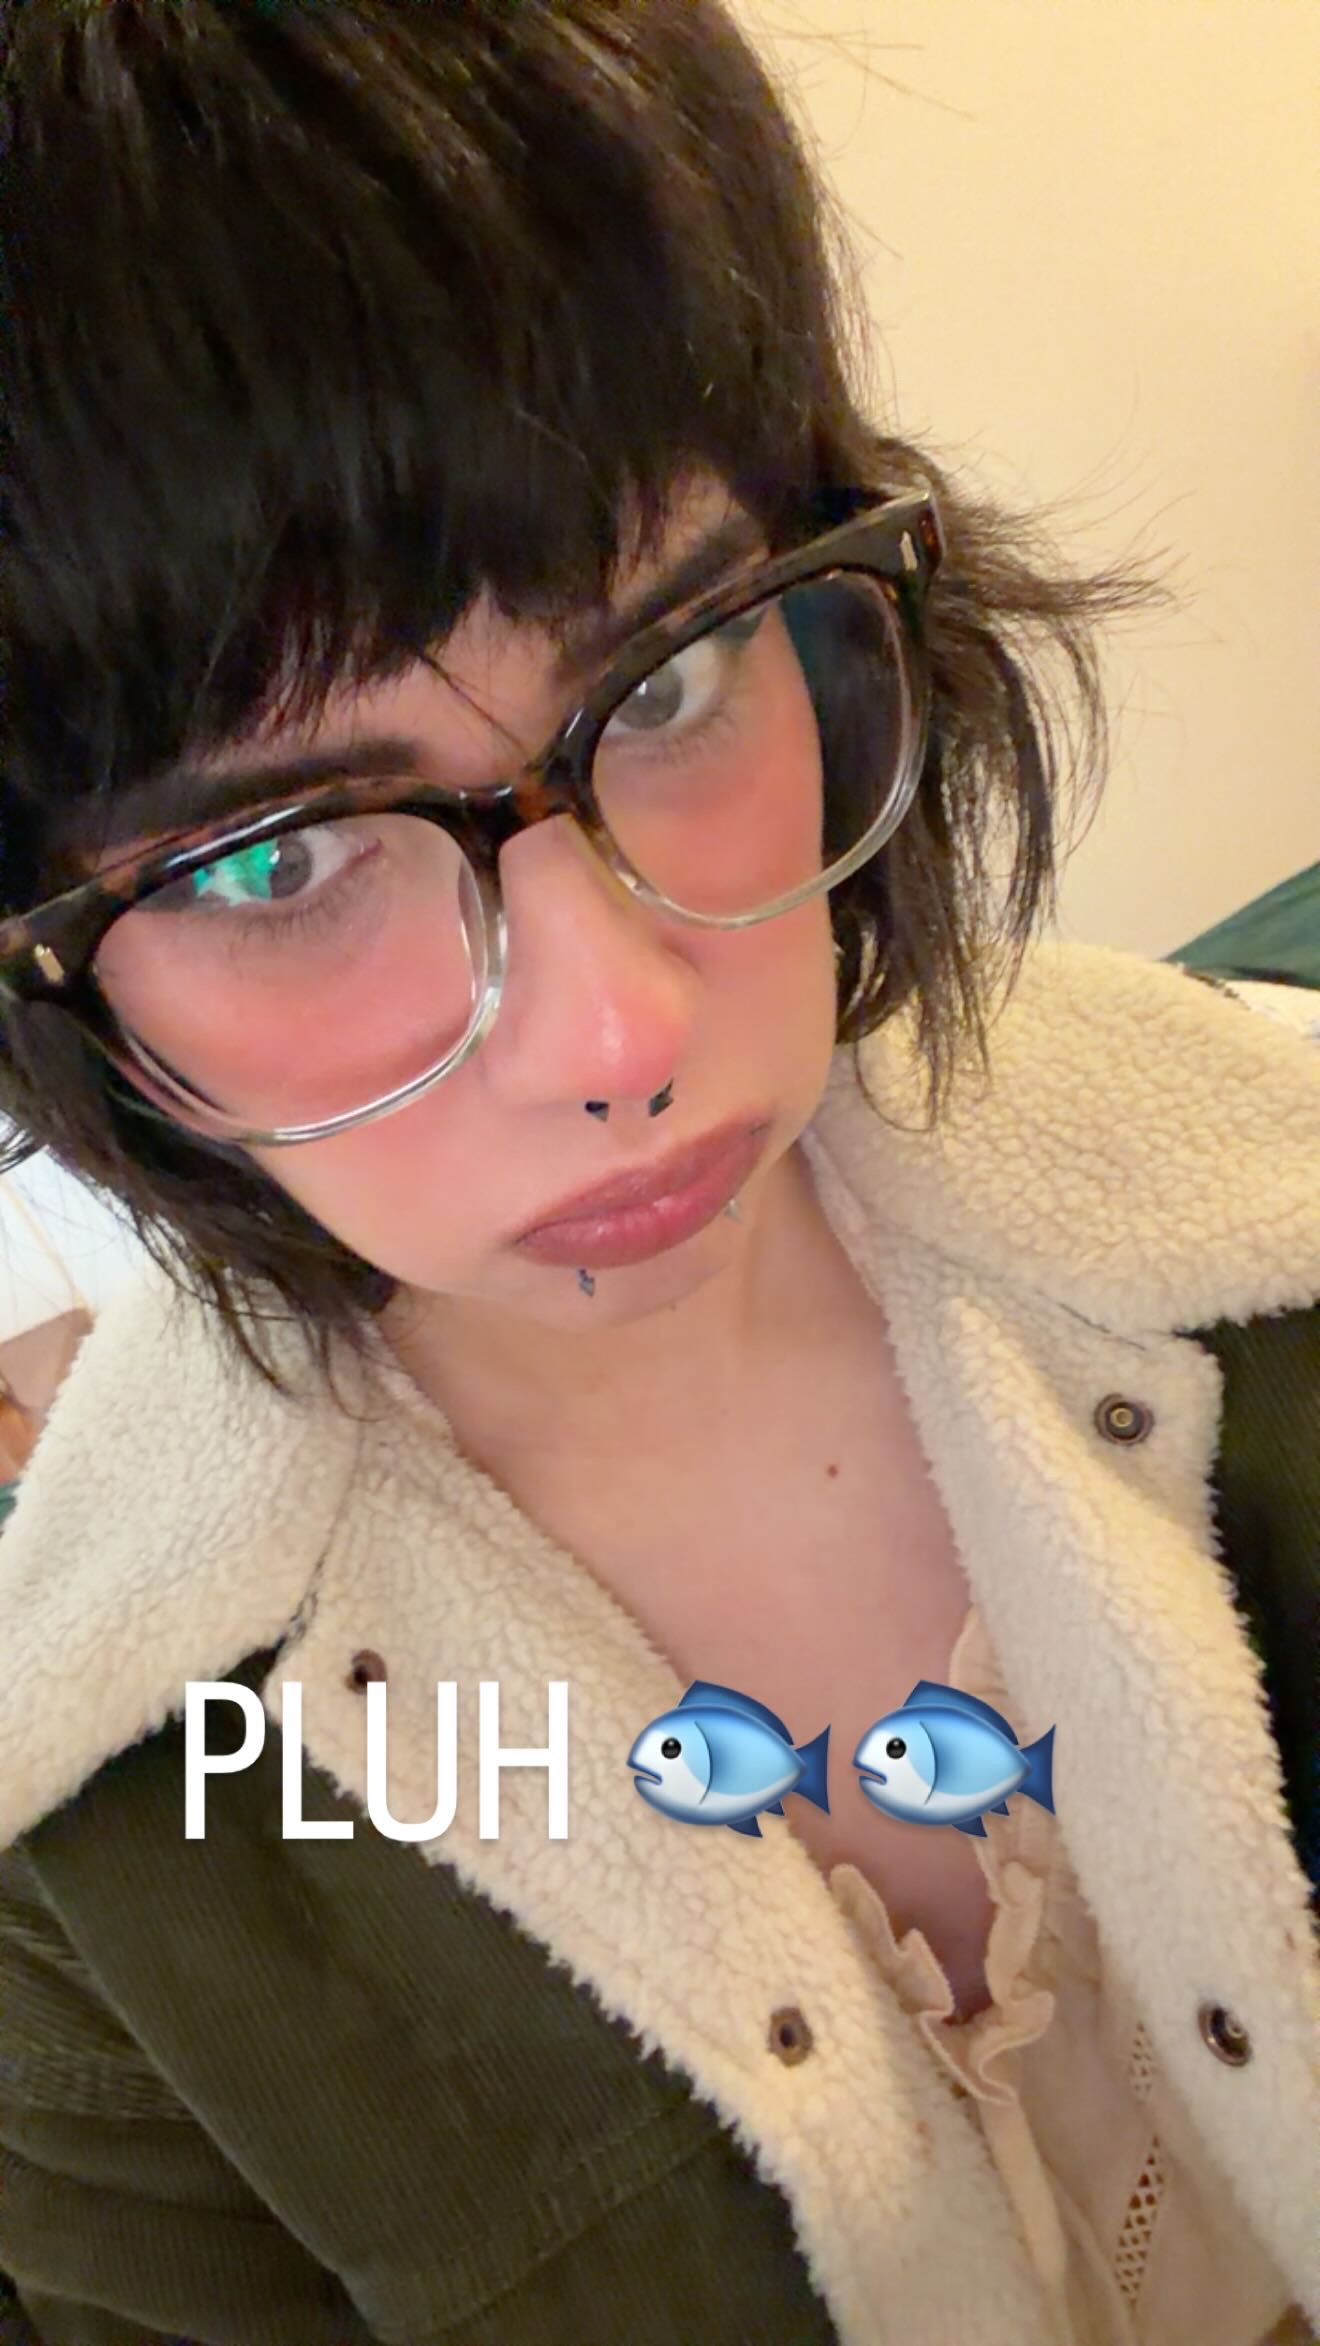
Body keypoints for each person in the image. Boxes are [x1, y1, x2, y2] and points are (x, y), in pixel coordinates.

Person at [0, 5, 1315, 2342]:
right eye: (277, 858)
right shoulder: (95, 1853)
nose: (620, 1035)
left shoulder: (1280, 1217)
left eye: (673, 682)